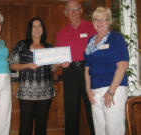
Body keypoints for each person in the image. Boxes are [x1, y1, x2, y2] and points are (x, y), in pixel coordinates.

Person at [9, 17, 58, 135]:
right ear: (30, 29)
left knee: (42, 125)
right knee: (25, 125)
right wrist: (27, 66)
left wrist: (58, 65)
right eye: (34, 26)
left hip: (45, 92)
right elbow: (12, 65)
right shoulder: (22, 45)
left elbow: (53, 69)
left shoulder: (49, 48)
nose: (36, 28)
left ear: (43, 29)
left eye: (39, 26)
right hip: (27, 92)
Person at [84, 7, 129, 135]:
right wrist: (88, 90)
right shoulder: (90, 41)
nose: (100, 22)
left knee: (114, 129)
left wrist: (111, 91)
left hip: (113, 89)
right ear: (93, 22)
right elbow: (87, 67)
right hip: (95, 91)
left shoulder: (116, 38)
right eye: (97, 19)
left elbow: (123, 65)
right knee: (99, 129)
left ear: (109, 22)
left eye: (104, 19)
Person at [55, 0, 96, 135]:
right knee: (71, 110)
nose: (74, 12)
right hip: (70, 72)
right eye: (71, 10)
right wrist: (60, 63)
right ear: (65, 13)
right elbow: (56, 60)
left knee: (93, 108)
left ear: (81, 11)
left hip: (89, 71)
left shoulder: (92, 27)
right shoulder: (61, 33)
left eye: (77, 9)